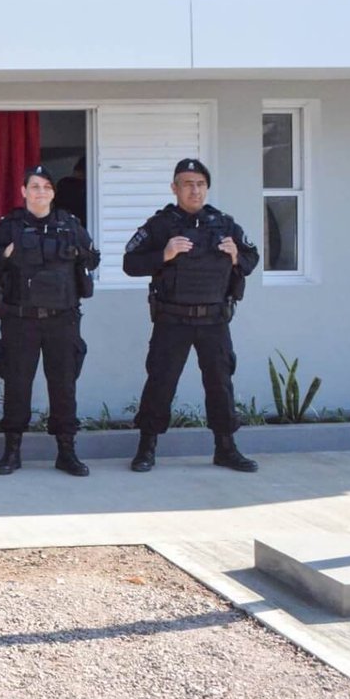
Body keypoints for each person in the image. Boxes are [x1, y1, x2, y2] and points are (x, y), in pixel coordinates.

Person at [123, 158, 261, 473]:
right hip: (172, 319)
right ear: (175, 188)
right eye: (187, 184)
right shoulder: (160, 225)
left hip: (214, 319)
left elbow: (252, 260)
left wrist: (237, 255)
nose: (194, 190)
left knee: (220, 383)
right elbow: (130, 263)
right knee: (161, 382)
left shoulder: (224, 224)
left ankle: (226, 448)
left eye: (199, 184)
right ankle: (146, 448)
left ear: (207, 188)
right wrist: (164, 254)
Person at [0, 165, 100, 477]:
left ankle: (66, 452)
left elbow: (92, 258)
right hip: (21, 320)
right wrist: (6, 253)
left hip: (63, 319)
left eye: (46, 187)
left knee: (64, 386)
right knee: (17, 385)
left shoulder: (70, 225)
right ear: (23, 191)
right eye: (34, 186)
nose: (40, 192)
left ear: (53, 193)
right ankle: (12, 451)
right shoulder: (9, 226)